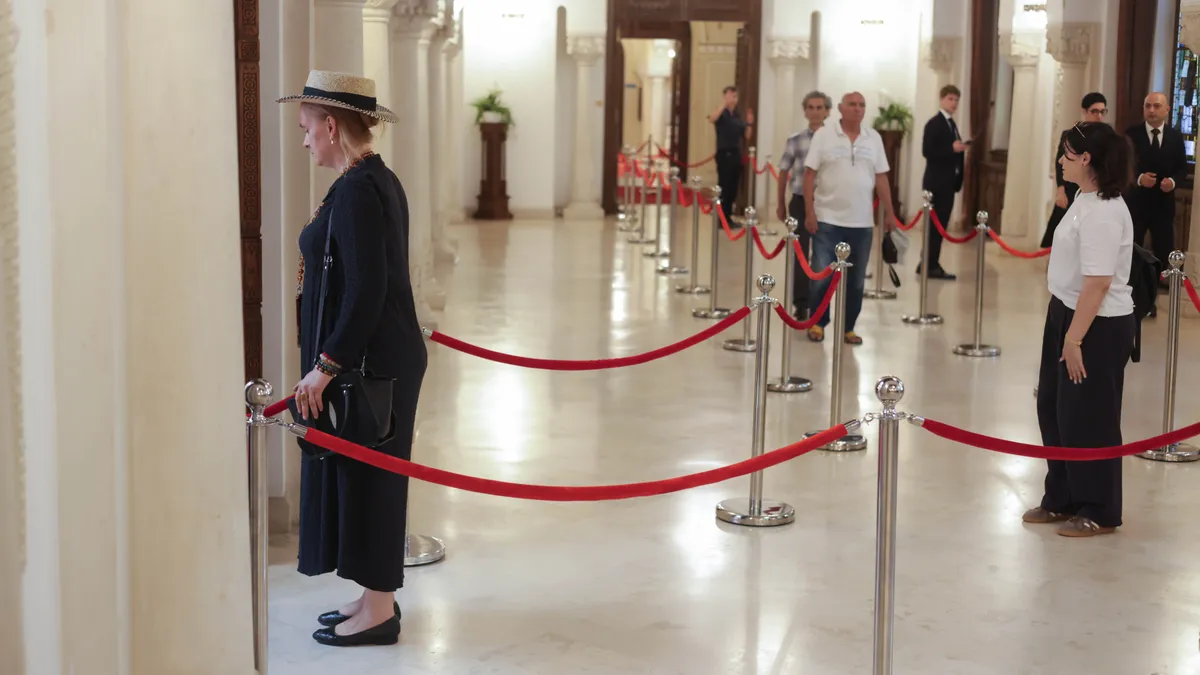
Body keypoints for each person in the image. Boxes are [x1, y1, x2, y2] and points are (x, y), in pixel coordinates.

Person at [278, 70, 428, 646]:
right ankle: (371, 596)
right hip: (377, 355)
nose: (305, 139)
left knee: (376, 481)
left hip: (374, 361)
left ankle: (381, 610)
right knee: (363, 475)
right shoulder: (366, 180)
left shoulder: (362, 190)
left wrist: (328, 363)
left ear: (332, 126)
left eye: (307, 128)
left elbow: (366, 289)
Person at [1024, 122, 1135, 538]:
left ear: (1086, 159)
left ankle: (1099, 507)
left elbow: (1099, 282)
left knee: (1090, 416)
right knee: (1055, 409)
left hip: (1096, 324)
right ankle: (1063, 496)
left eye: (1067, 155)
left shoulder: (1106, 211)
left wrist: (1074, 339)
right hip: (1066, 311)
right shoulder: (1083, 198)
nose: (1060, 161)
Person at [802, 91, 897, 345]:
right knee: (822, 275)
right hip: (827, 218)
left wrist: (889, 212)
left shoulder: (873, 138)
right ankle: (818, 323)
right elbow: (809, 174)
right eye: (852, 104)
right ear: (841, 109)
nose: (858, 109)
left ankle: (849, 328)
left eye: (862, 105)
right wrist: (809, 211)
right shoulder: (824, 136)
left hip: (862, 222)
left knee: (855, 282)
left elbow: (881, 178)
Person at [776, 91, 832, 319]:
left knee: (823, 255)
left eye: (820, 107)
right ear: (805, 111)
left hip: (826, 203)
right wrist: (780, 203)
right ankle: (801, 302)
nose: (815, 112)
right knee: (800, 253)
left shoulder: (834, 140)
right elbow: (783, 170)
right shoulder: (795, 139)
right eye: (811, 107)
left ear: (827, 111)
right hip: (799, 201)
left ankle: (820, 300)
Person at [1124, 92, 1187, 278]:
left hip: (1163, 204)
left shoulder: (1175, 137)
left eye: (1156, 106)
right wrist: (1139, 178)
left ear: (1167, 110)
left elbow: (1182, 169)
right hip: (1136, 203)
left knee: (1164, 247)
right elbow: (1122, 165)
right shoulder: (1131, 134)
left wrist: (1173, 182)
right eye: (1148, 106)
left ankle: (1162, 285)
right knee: (1132, 246)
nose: (1151, 110)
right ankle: (1131, 284)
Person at [1041, 93, 1109, 248]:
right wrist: (1060, 190)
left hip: (1094, 189)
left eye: (1102, 112)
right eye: (1094, 111)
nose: (1099, 116)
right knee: (1062, 231)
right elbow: (1060, 163)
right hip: (1071, 188)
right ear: (1085, 112)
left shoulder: (1107, 136)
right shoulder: (1071, 134)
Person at [919, 84, 966, 280]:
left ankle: (927, 262)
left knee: (940, 225)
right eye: (950, 99)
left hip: (947, 182)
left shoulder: (951, 124)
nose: (954, 103)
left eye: (956, 100)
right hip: (936, 183)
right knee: (935, 226)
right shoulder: (934, 123)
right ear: (941, 99)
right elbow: (928, 151)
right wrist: (951, 148)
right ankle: (930, 265)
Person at [706, 86, 754, 223]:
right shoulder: (721, 113)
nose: (734, 98)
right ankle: (720, 217)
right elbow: (712, 119)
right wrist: (724, 104)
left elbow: (747, 135)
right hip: (724, 153)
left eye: (735, 96)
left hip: (735, 153)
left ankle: (728, 216)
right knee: (724, 186)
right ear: (725, 96)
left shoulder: (737, 115)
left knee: (733, 186)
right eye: (730, 95)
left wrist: (749, 123)